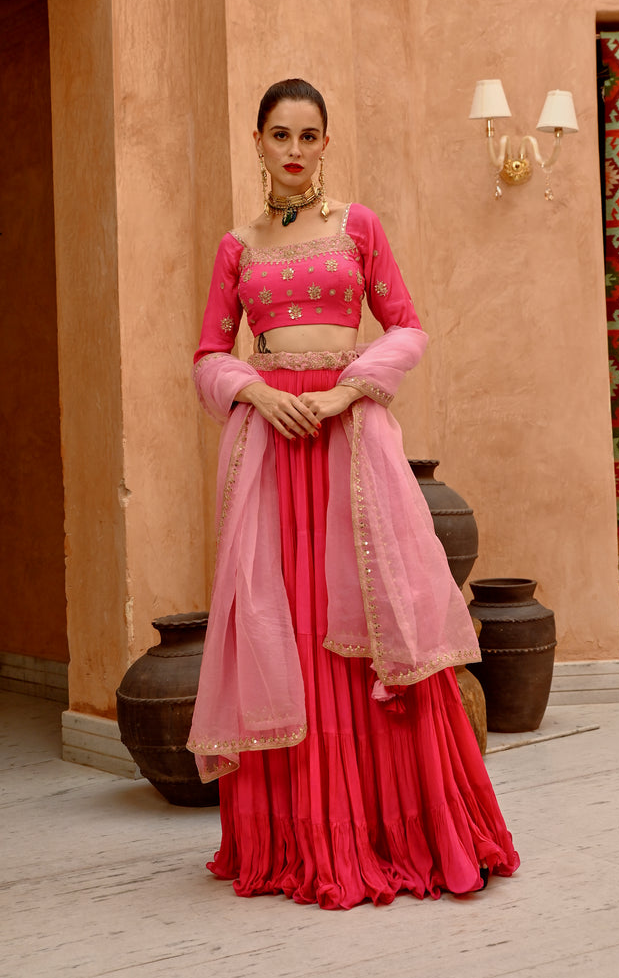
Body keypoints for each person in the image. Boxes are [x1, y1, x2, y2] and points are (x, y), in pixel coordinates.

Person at [187, 78, 519, 909]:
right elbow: (205, 356)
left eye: (309, 136)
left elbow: (407, 324)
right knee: (283, 624)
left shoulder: (358, 225)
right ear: (257, 143)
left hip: (346, 444)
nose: (294, 151)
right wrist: (259, 393)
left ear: (326, 143)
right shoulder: (238, 246)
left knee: (375, 624)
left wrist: (345, 391)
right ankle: (295, 838)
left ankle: (407, 830)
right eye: (279, 135)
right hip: (271, 452)